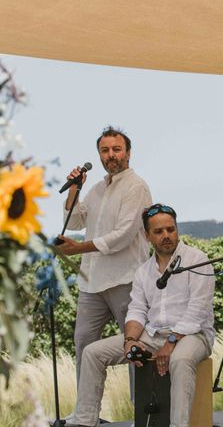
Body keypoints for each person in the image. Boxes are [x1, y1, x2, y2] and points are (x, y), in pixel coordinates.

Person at [70, 203, 215, 427]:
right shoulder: (143, 271)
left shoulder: (198, 260)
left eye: (171, 229)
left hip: (193, 336)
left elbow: (197, 311)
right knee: (92, 352)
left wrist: (171, 343)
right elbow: (137, 310)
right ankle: (84, 422)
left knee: (180, 359)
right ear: (147, 236)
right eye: (159, 231)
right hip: (154, 333)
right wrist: (129, 341)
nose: (166, 235)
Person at [56, 126, 152, 384]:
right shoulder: (97, 188)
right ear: (99, 155)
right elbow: (74, 222)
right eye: (105, 150)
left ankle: (142, 416)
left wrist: (78, 249)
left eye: (116, 149)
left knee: (134, 346)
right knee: (83, 346)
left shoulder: (136, 187)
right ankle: (86, 416)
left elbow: (123, 235)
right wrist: (75, 190)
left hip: (126, 280)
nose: (111, 155)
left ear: (128, 153)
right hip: (92, 283)